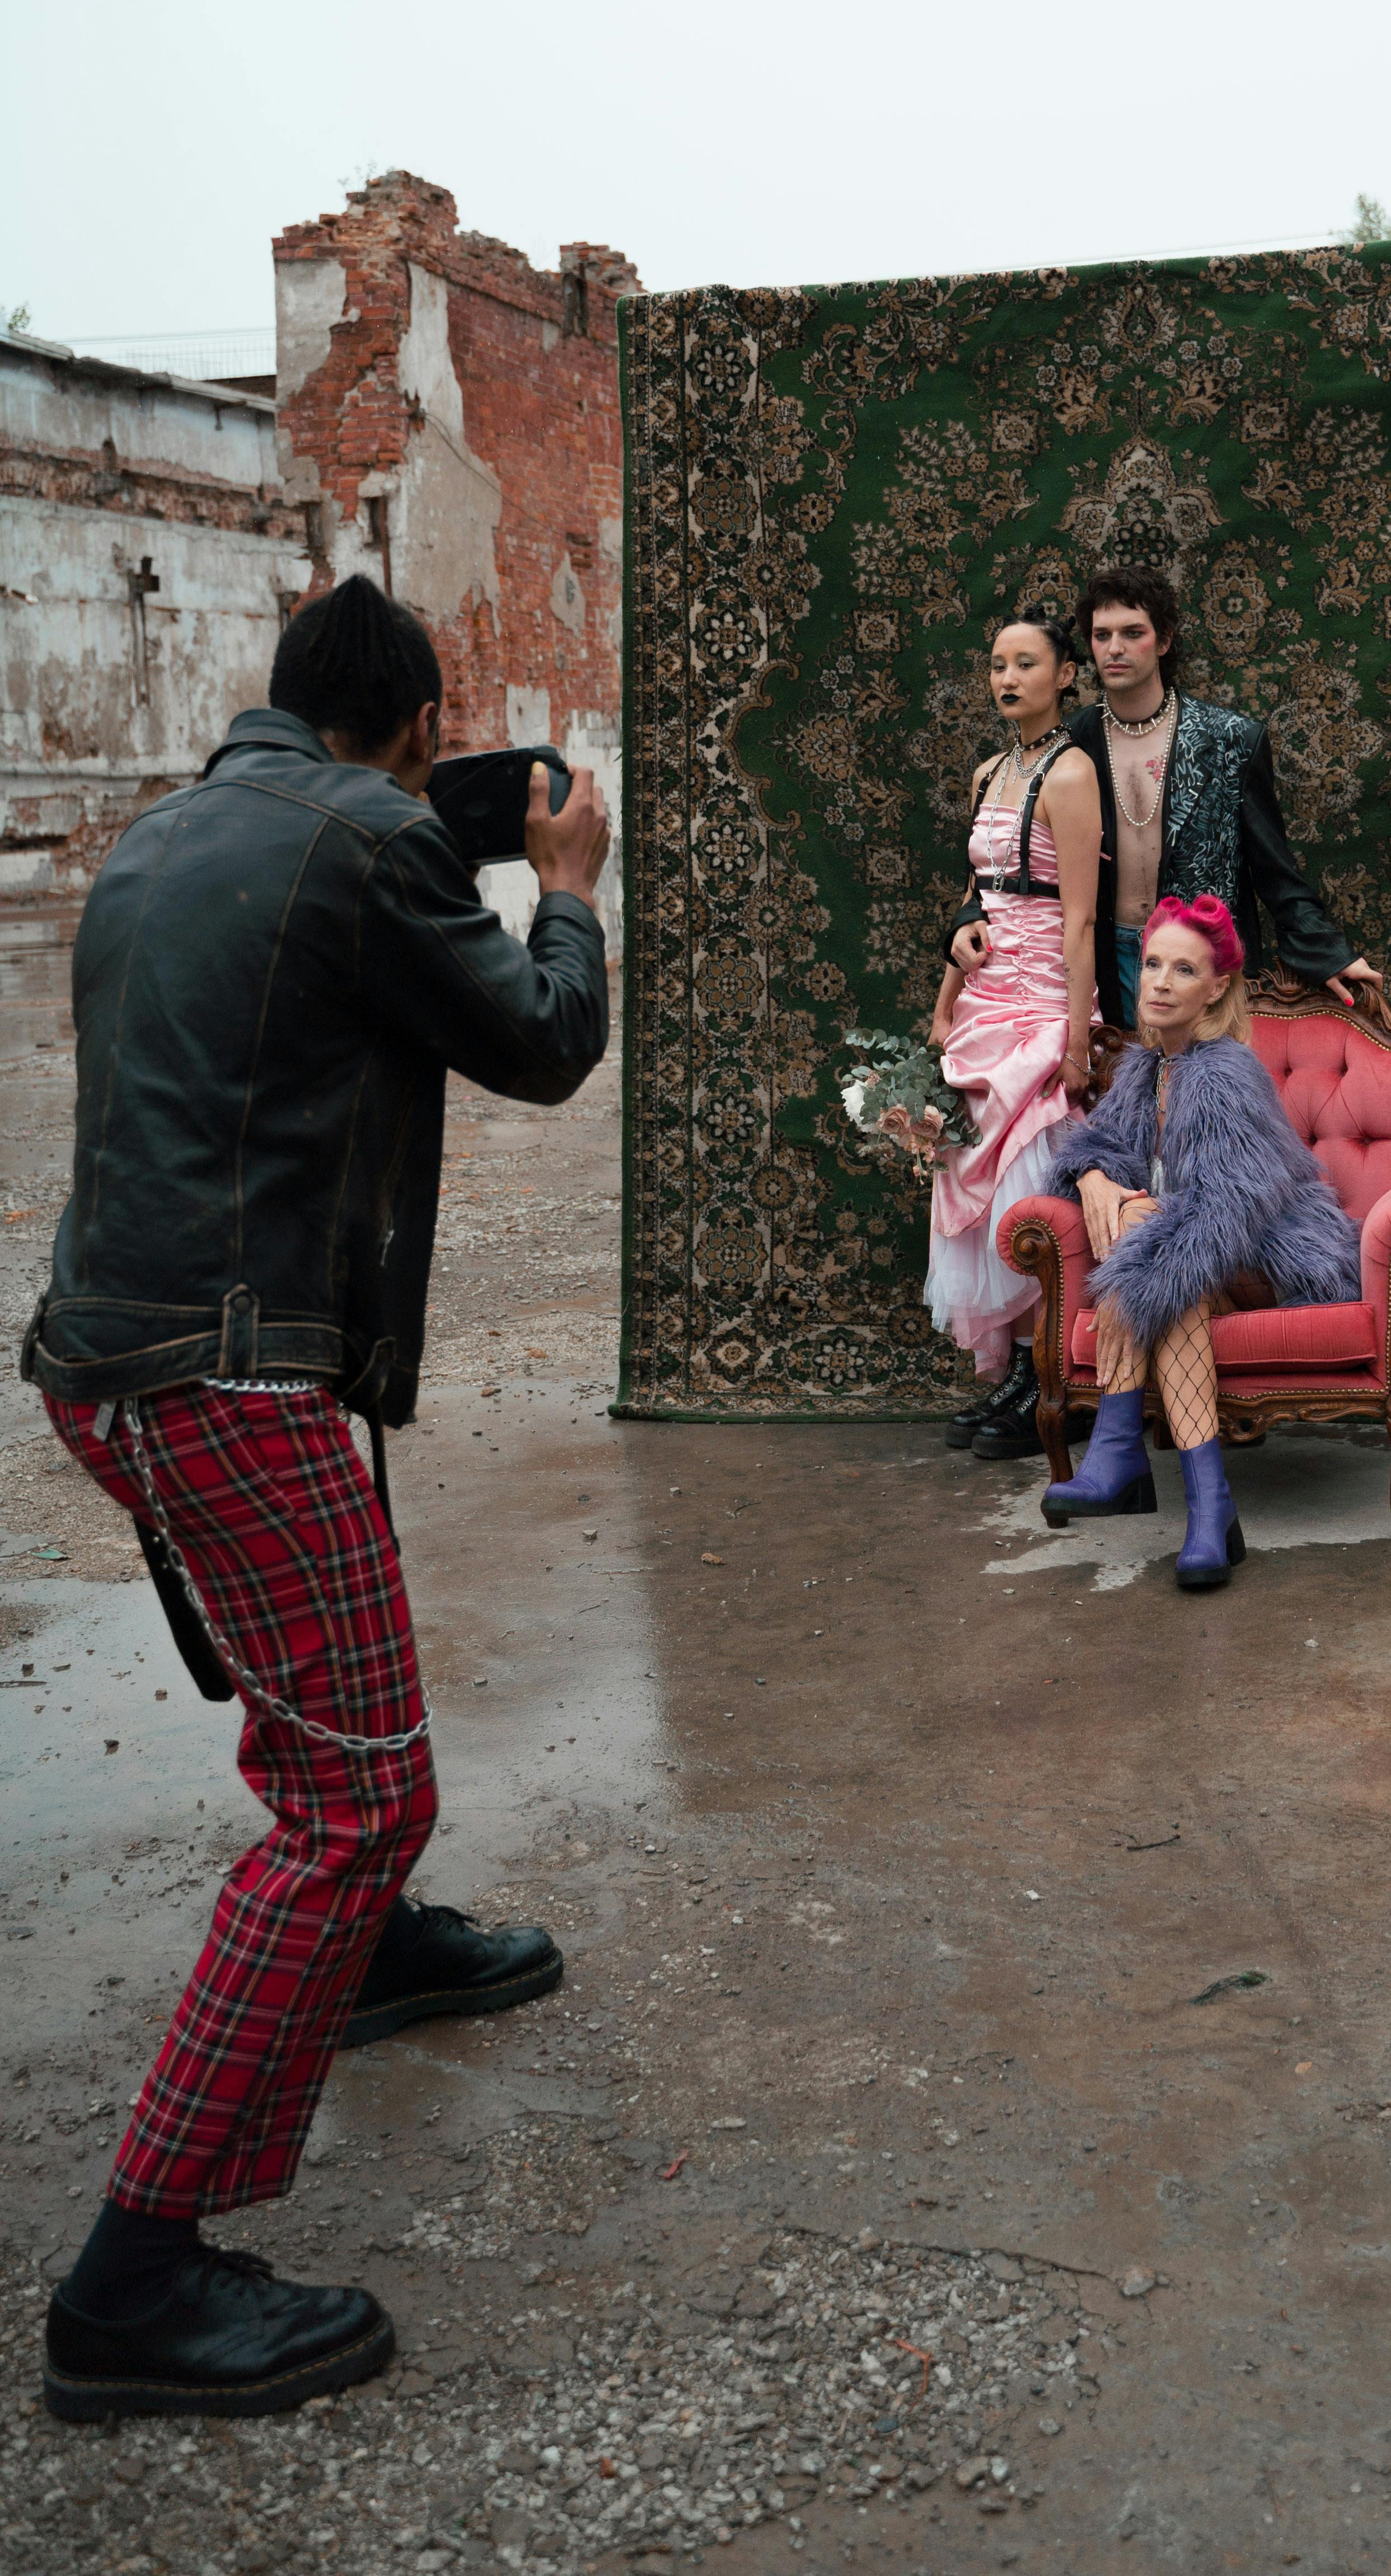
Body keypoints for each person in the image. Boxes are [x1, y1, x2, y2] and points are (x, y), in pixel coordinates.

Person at [22, 575, 611, 2423]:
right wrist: (568, 878)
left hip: (109, 1353)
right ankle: (135, 2273)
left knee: (335, 1704)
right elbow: (535, 1039)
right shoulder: (369, 834)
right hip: (224, 1369)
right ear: (426, 723)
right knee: (357, 1792)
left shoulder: (161, 828)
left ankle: (365, 1947)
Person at [1038, 895, 1361, 1588]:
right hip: (1210, 1259)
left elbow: (1229, 1210)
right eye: (1153, 963)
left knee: (1162, 1256)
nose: (1159, 982)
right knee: (1163, 1266)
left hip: (1277, 1259)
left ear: (1216, 989)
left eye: (1183, 971)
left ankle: (1120, 1456)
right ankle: (1210, 1512)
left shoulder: (1224, 1073)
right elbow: (1100, 1148)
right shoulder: (1144, 1069)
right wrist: (1093, 1177)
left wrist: (1140, 1226)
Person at [950, 561, 1381, 1033]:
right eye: (1101, 635)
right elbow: (1003, 852)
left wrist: (1328, 954)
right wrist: (970, 915)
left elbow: (1277, 876)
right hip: (1099, 965)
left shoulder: (1232, 742)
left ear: (1165, 639)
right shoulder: (1066, 748)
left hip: (1198, 966)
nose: (1114, 649)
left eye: (1132, 632)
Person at [925, 612, 1101, 1461]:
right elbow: (975, 896)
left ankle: (1052, 1382)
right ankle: (1016, 1375)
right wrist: (945, 993)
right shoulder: (988, 770)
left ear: (1064, 674)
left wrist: (1073, 1034)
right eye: (997, 663)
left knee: (1028, 1188)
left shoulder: (1071, 775)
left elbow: (1078, 919)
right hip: (986, 997)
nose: (1007, 677)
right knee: (975, 1181)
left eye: (1026, 663)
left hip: (1040, 1004)